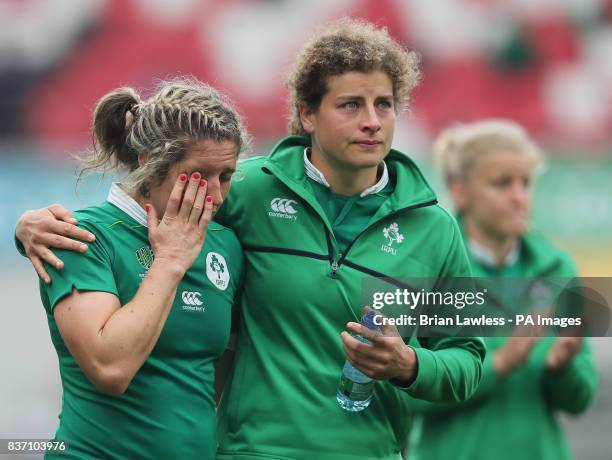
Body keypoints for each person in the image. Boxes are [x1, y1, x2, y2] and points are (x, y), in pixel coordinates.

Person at [16, 19, 485, 459]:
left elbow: (468, 359)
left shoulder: (435, 229)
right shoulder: (245, 190)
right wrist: (29, 226)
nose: (372, 121)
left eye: (384, 104)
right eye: (350, 105)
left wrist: (409, 365)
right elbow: (150, 197)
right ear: (306, 113)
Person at [27, 78, 247, 459]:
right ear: (148, 161)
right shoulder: (81, 237)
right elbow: (110, 367)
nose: (215, 195)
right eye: (197, 176)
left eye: (225, 176)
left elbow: (212, 375)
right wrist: (170, 260)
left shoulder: (224, 243)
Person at [407, 120, 598, 460]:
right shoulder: (427, 269)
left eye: (526, 183)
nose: (519, 197)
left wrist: (561, 368)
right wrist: (499, 364)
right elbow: (405, 397)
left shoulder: (559, 268)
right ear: (459, 189)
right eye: (502, 183)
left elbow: (580, 400)